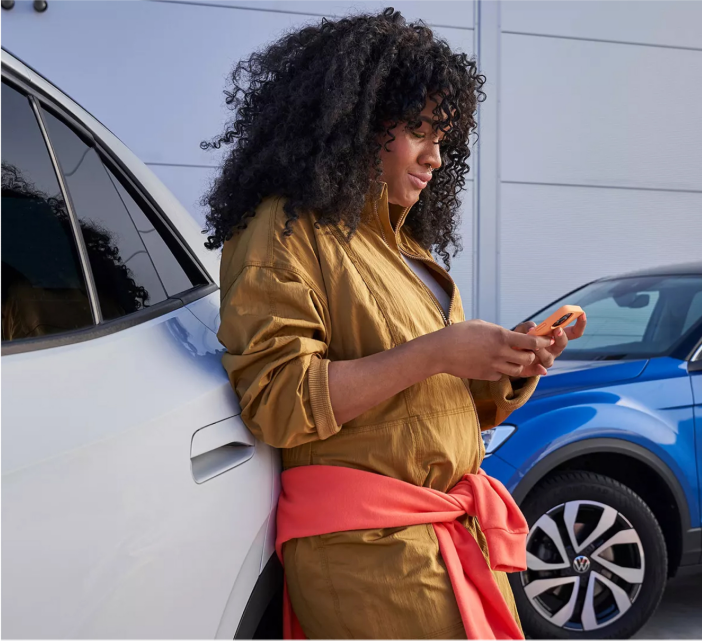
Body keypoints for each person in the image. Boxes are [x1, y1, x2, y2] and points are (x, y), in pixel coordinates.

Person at [202, 8, 585, 639]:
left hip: (443, 541)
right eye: (419, 131)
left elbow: (426, 400)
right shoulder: (285, 229)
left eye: (445, 138)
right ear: (357, 120)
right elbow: (275, 401)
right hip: (371, 554)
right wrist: (438, 351)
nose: (436, 157)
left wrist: (508, 365)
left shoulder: (408, 249)